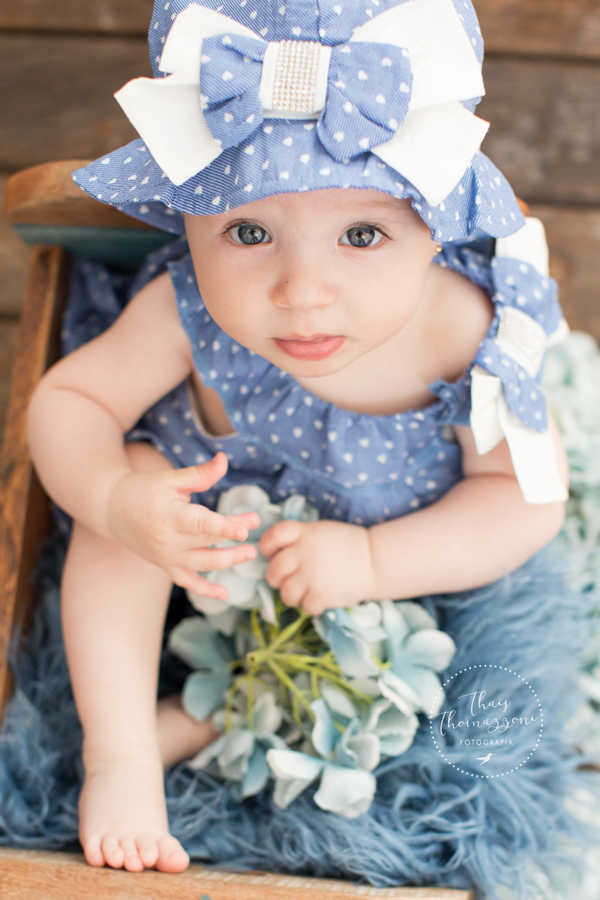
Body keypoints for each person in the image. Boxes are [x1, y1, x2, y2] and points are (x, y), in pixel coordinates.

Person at [26, 0, 570, 878]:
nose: (303, 291)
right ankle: (121, 756)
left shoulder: (461, 332)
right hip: (193, 560)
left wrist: (375, 562)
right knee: (124, 484)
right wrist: (117, 499)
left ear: (435, 226)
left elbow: (525, 501)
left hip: (361, 604)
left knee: (370, 693)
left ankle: (206, 720)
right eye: (248, 232)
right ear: (188, 221)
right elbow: (70, 399)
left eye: (362, 234)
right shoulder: (185, 310)